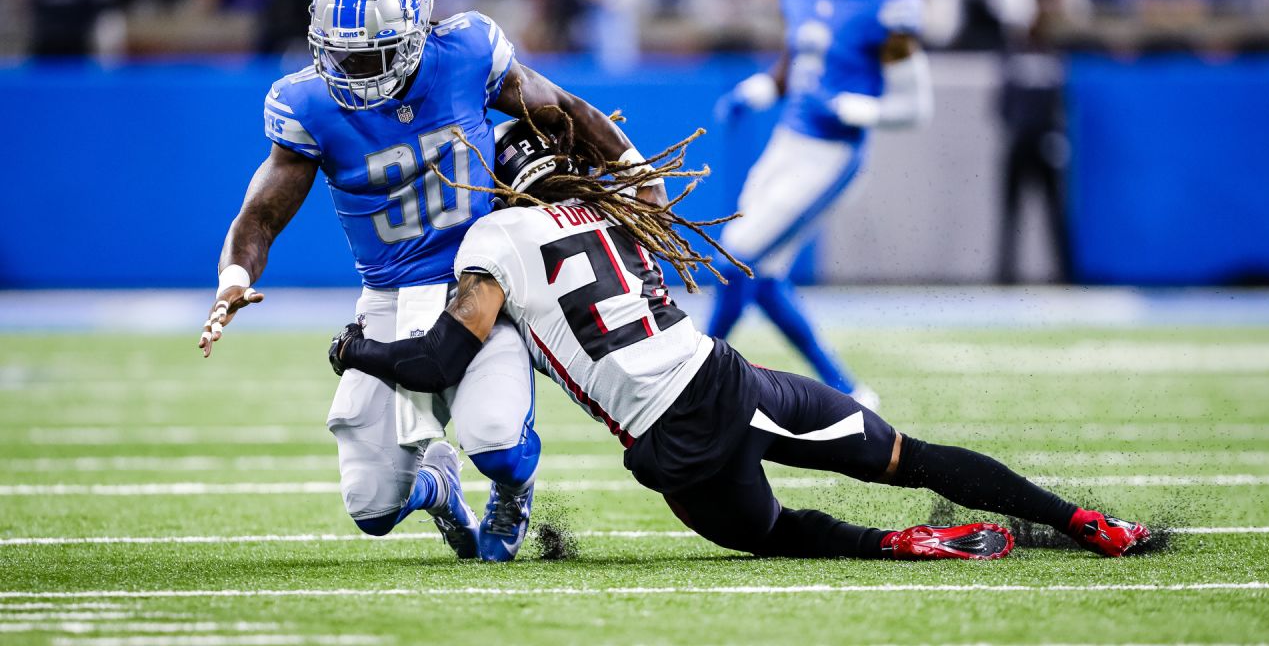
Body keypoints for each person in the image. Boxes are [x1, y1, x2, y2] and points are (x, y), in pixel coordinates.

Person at [327, 116, 1151, 561]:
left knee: (770, 534)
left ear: (505, 183)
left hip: (668, 438)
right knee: (908, 454)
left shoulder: (495, 239)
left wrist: (355, 349)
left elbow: (438, 358)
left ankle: (893, 545)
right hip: (728, 379)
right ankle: (1082, 521)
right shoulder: (620, 213)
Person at [198, 0, 664, 562]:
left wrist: (635, 170)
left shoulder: (467, 54)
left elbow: (565, 111)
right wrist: (233, 277)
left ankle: (511, 486)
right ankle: (439, 488)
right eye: (340, 54)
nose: (353, 69)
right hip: (389, 296)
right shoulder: (306, 104)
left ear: (415, 37)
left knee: (497, 441)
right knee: (371, 507)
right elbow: (259, 215)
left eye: (370, 54)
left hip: (481, 282)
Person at [710, 0, 934, 409]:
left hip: (833, 155)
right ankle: (848, 388)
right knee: (761, 273)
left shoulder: (889, 2)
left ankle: (697, 370)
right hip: (788, 139)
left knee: (738, 253)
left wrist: (865, 110)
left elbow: (917, 104)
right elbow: (800, 56)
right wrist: (764, 88)